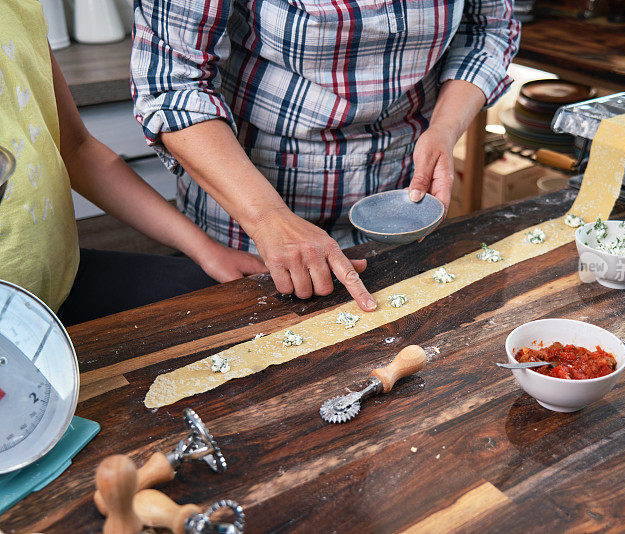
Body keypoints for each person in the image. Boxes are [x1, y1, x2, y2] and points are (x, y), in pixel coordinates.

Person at [132, 0, 520, 312]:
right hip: (250, 207)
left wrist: (444, 128)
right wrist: (269, 217)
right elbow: (174, 85)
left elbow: (486, 31)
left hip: (397, 200)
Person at [0, 0, 265, 326]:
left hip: (57, 286)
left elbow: (78, 149)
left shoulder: (16, 8)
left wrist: (206, 249)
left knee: (231, 305)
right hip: (10, 318)